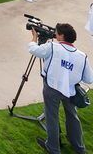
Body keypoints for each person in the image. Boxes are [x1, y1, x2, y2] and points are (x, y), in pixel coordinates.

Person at [29, 23, 93, 154]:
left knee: (51, 117)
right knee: (72, 116)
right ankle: (79, 148)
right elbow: (89, 79)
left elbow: (34, 51)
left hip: (51, 88)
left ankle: (53, 148)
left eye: (57, 33)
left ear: (62, 36)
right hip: (71, 91)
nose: (55, 34)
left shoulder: (53, 47)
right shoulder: (82, 56)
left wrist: (34, 38)